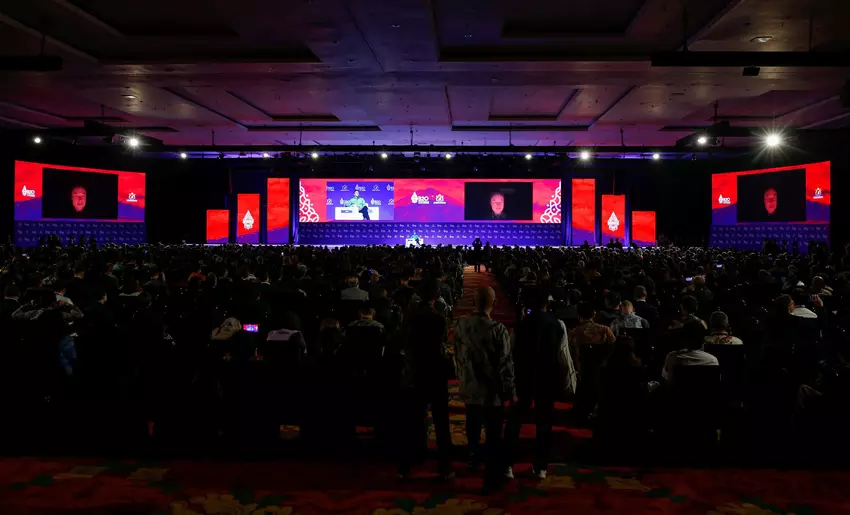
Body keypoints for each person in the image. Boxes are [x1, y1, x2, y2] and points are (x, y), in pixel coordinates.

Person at [505, 286, 575, 480]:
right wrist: (568, 383)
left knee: (515, 422)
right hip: (547, 377)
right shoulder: (557, 324)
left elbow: (510, 354)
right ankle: (540, 467)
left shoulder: (521, 325)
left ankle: (508, 464)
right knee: (544, 423)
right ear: (547, 303)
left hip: (523, 377)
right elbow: (563, 356)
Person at [453, 286, 515, 489]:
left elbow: (457, 354)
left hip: (470, 384)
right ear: (494, 304)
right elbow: (505, 364)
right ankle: (491, 471)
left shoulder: (460, 324)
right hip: (492, 390)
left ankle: (473, 456)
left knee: (472, 422)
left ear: (473, 302)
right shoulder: (498, 329)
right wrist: (509, 391)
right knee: (493, 431)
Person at [397, 279, 452, 480]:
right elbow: (440, 345)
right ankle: (444, 467)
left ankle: (406, 466)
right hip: (435, 373)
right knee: (441, 422)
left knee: (412, 420)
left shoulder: (409, 318)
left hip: (415, 373)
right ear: (436, 297)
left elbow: (402, 342)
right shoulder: (438, 319)